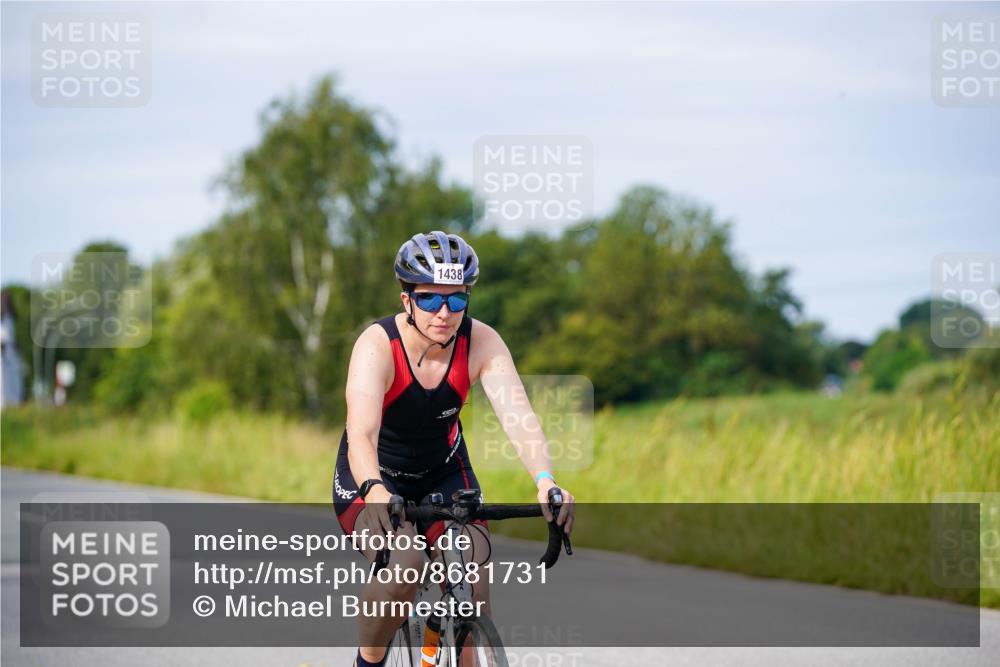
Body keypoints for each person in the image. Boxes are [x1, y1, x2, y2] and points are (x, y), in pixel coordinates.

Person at [332, 231, 575, 667]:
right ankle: (367, 661)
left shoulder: (481, 341)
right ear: (406, 299)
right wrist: (376, 491)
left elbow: (518, 417)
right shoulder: (377, 345)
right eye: (429, 300)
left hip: (445, 471)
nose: (444, 313)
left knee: (471, 597)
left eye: (457, 300)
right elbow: (362, 433)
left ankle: (447, 642)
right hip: (373, 474)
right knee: (404, 568)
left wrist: (546, 481)